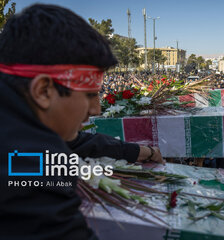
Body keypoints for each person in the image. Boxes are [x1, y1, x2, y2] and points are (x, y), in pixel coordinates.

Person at [0, 4, 163, 240]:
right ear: (44, 90)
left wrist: (139, 151)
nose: (96, 109)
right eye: (89, 95)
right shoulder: (29, 167)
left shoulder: (15, 124)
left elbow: (76, 142)